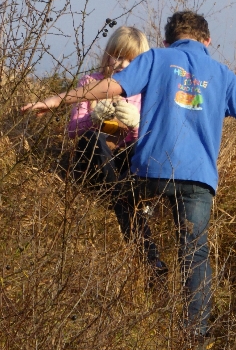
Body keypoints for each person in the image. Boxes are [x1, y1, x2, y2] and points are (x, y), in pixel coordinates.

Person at [22, 11, 236, 350]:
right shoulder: (222, 74)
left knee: (122, 199)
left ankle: (148, 260)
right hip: (198, 181)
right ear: (207, 42)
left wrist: (57, 98)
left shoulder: (156, 58)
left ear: (167, 41)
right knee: (194, 255)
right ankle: (196, 346)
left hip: (151, 172)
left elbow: (110, 86)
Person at [64, 26, 166, 280]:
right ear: (108, 54)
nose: (123, 64)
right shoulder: (90, 83)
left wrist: (136, 125)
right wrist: (93, 119)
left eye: (132, 60)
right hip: (92, 165)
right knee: (93, 138)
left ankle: (152, 264)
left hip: (122, 168)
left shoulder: (143, 93)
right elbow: (73, 131)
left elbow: (148, 141)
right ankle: (124, 197)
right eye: (118, 56)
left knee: (141, 149)